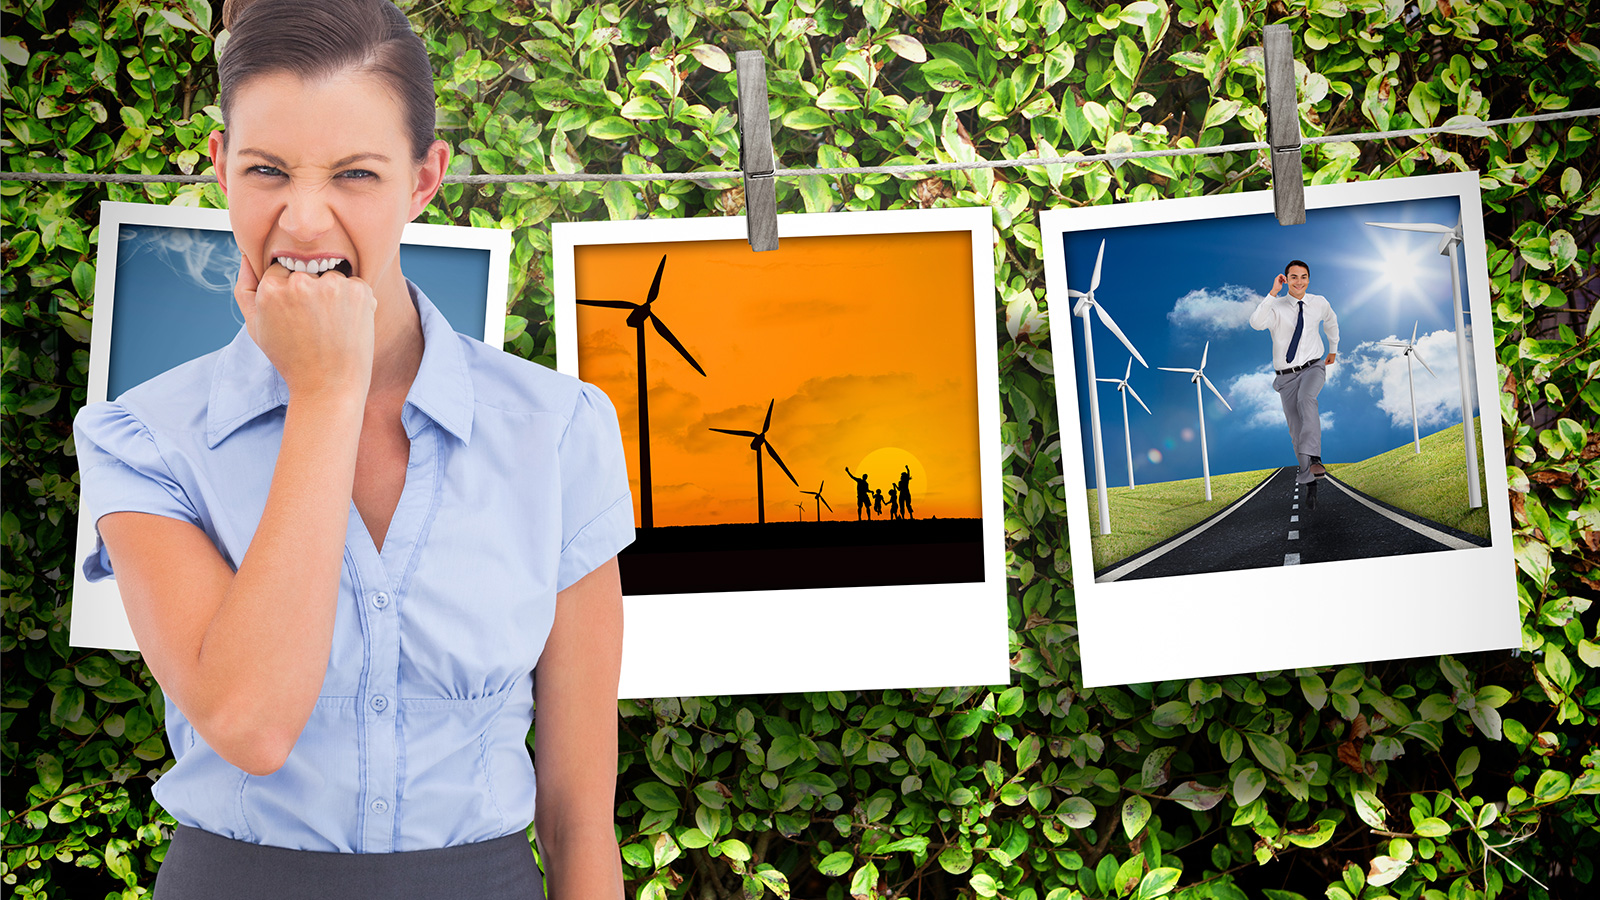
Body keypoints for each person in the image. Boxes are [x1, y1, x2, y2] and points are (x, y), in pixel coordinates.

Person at [70, 1, 631, 897]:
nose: (303, 219)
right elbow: (249, 723)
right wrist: (327, 393)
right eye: (266, 170)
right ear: (220, 170)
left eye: (356, 174)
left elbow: (577, 819)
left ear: (423, 179)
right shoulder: (144, 440)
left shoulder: (557, 430)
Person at [1249, 259, 1338, 508]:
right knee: (1295, 430)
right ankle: (1309, 481)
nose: (1299, 281)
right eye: (1294, 277)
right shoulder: (1275, 307)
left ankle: (1315, 458)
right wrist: (1272, 293)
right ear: (1285, 279)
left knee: (1306, 399)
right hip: (1286, 376)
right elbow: (1256, 323)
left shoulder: (1319, 302)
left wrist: (1333, 349)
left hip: (1313, 366)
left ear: (1309, 279)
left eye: (1304, 276)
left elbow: (1331, 321)